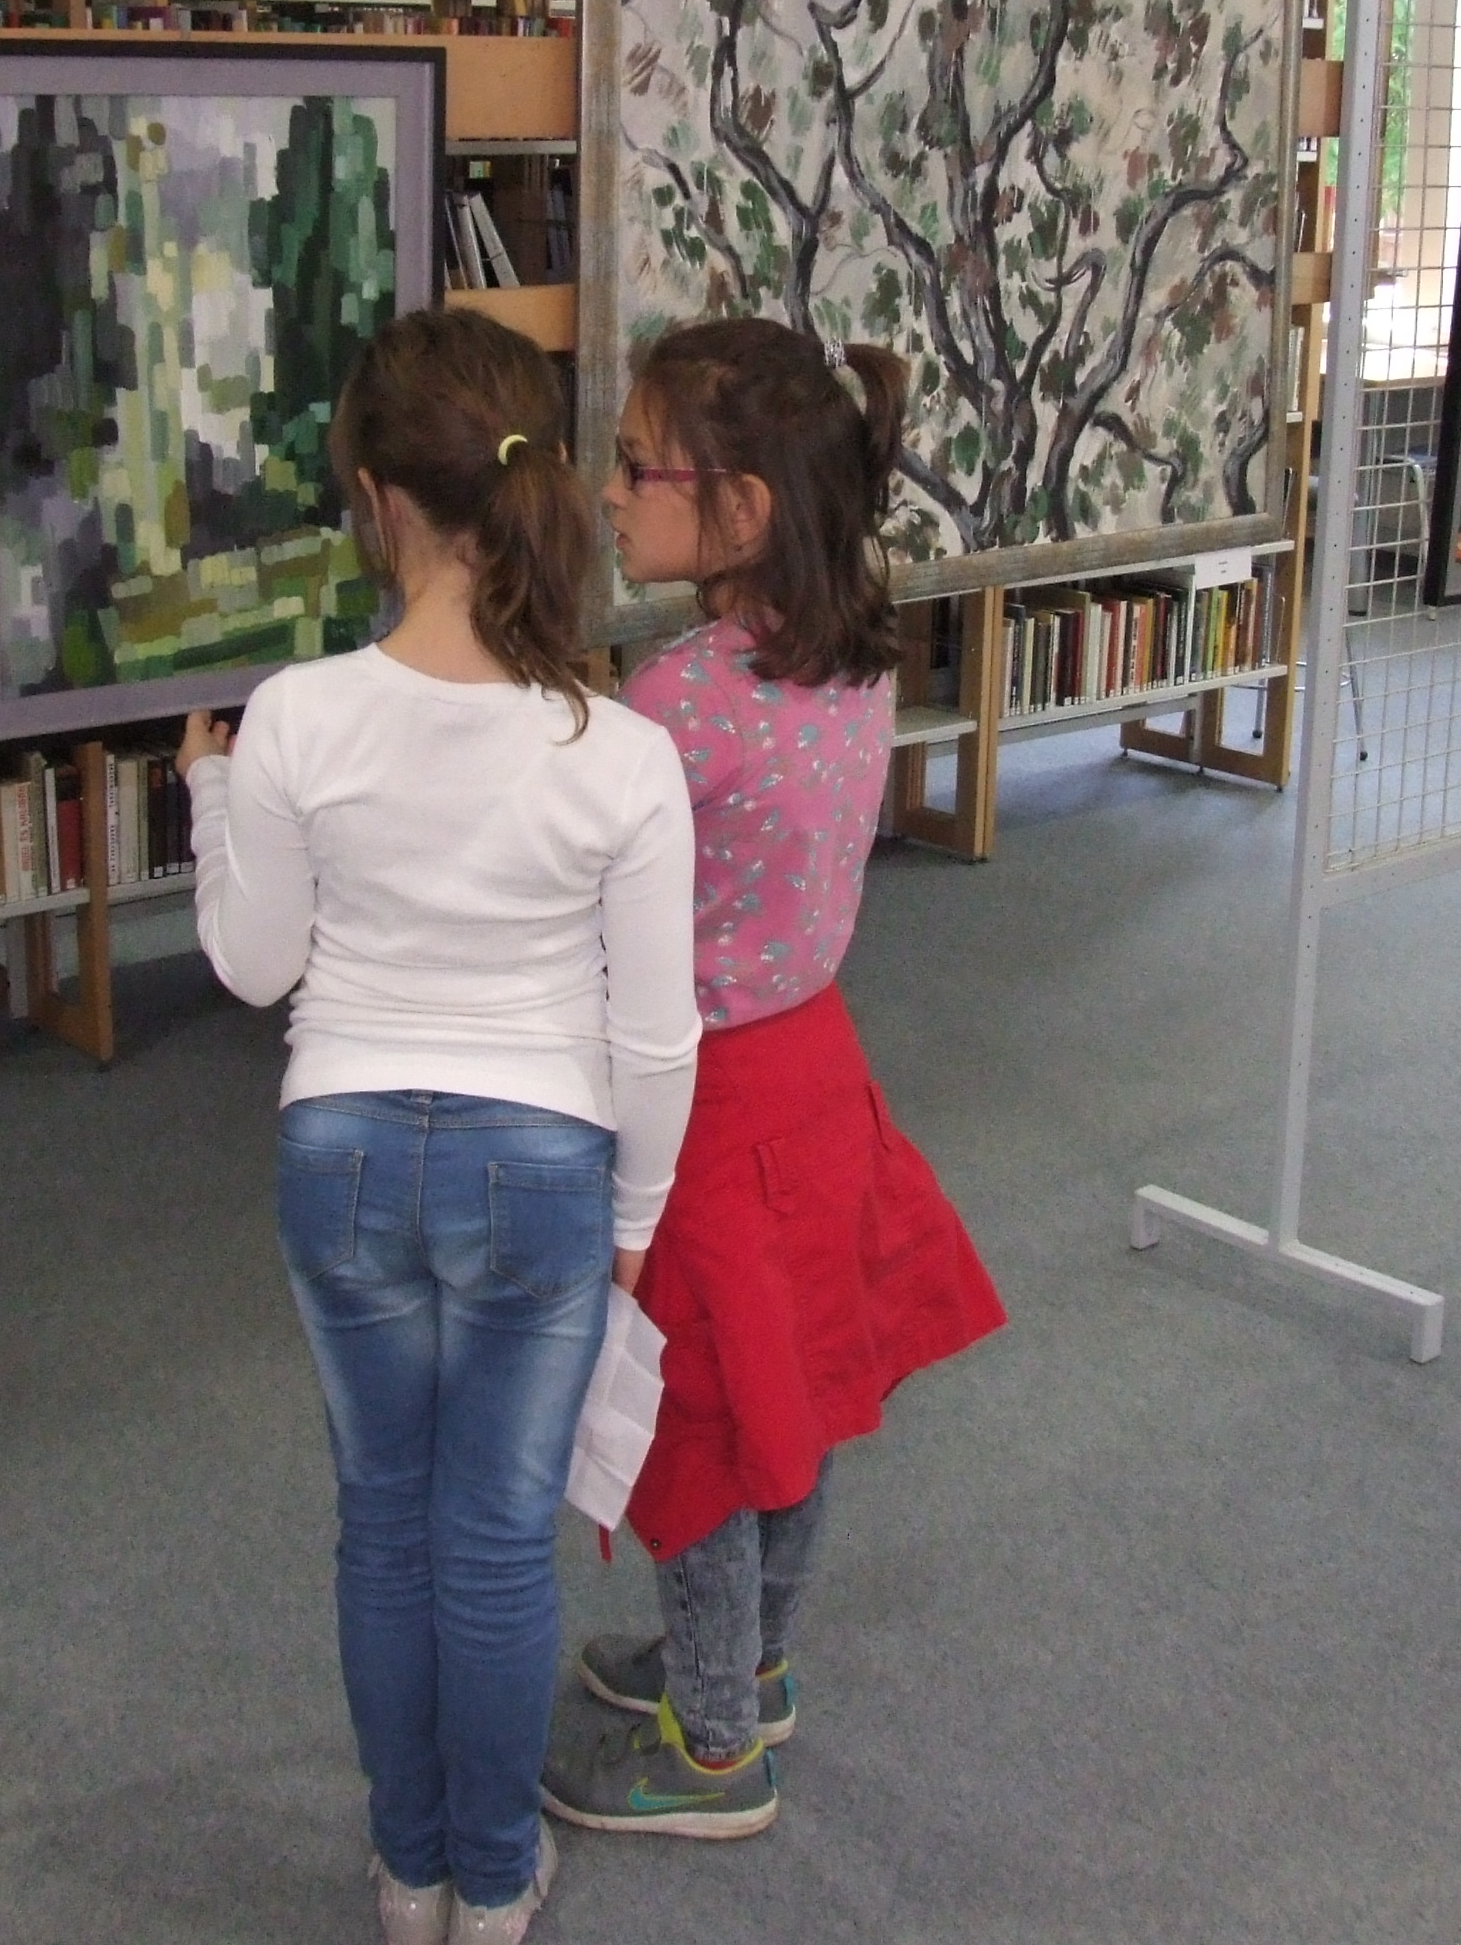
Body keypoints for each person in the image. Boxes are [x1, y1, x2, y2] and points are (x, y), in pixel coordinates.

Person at [182, 309, 699, 1945]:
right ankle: (492, 1877)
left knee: (383, 1528)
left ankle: (408, 1873)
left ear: (374, 499)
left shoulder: (295, 716)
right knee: (493, 1546)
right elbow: (655, 1036)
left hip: (339, 1152)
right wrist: (637, 1222)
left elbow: (253, 964)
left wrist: (207, 797)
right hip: (541, 1167)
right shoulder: (623, 752)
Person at [539, 317, 1007, 1841]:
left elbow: (568, 872)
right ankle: (744, 1660)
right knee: (788, 1387)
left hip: (706, 1105)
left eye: (635, 469)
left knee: (702, 1428)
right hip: (815, 1074)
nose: (610, 495)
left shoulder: (678, 702)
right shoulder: (852, 651)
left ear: (737, 509)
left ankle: (716, 1747)